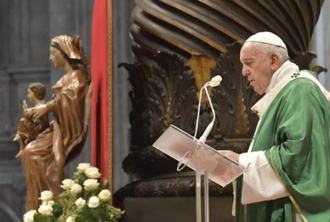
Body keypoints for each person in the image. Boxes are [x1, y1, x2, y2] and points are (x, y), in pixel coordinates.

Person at [220, 32, 330, 222]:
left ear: (273, 60)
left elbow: (297, 157)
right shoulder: (283, 92)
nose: (243, 72)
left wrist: (241, 161)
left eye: (249, 62)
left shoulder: (300, 89)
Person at [21, 35, 92, 211]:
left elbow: (72, 100)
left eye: (53, 53)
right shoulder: (68, 78)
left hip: (65, 131)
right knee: (29, 152)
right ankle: (42, 203)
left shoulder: (76, 77)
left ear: (64, 53)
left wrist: (49, 107)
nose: (51, 58)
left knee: (33, 154)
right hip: (57, 128)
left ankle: (49, 202)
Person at [13, 82, 49, 158]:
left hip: (40, 127)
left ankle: (21, 142)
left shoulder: (42, 105)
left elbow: (33, 114)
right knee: (23, 121)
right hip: (37, 124)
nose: (28, 95)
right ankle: (21, 144)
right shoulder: (38, 105)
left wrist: (26, 111)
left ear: (36, 93)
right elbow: (32, 116)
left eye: (29, 93)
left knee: (23, 121)